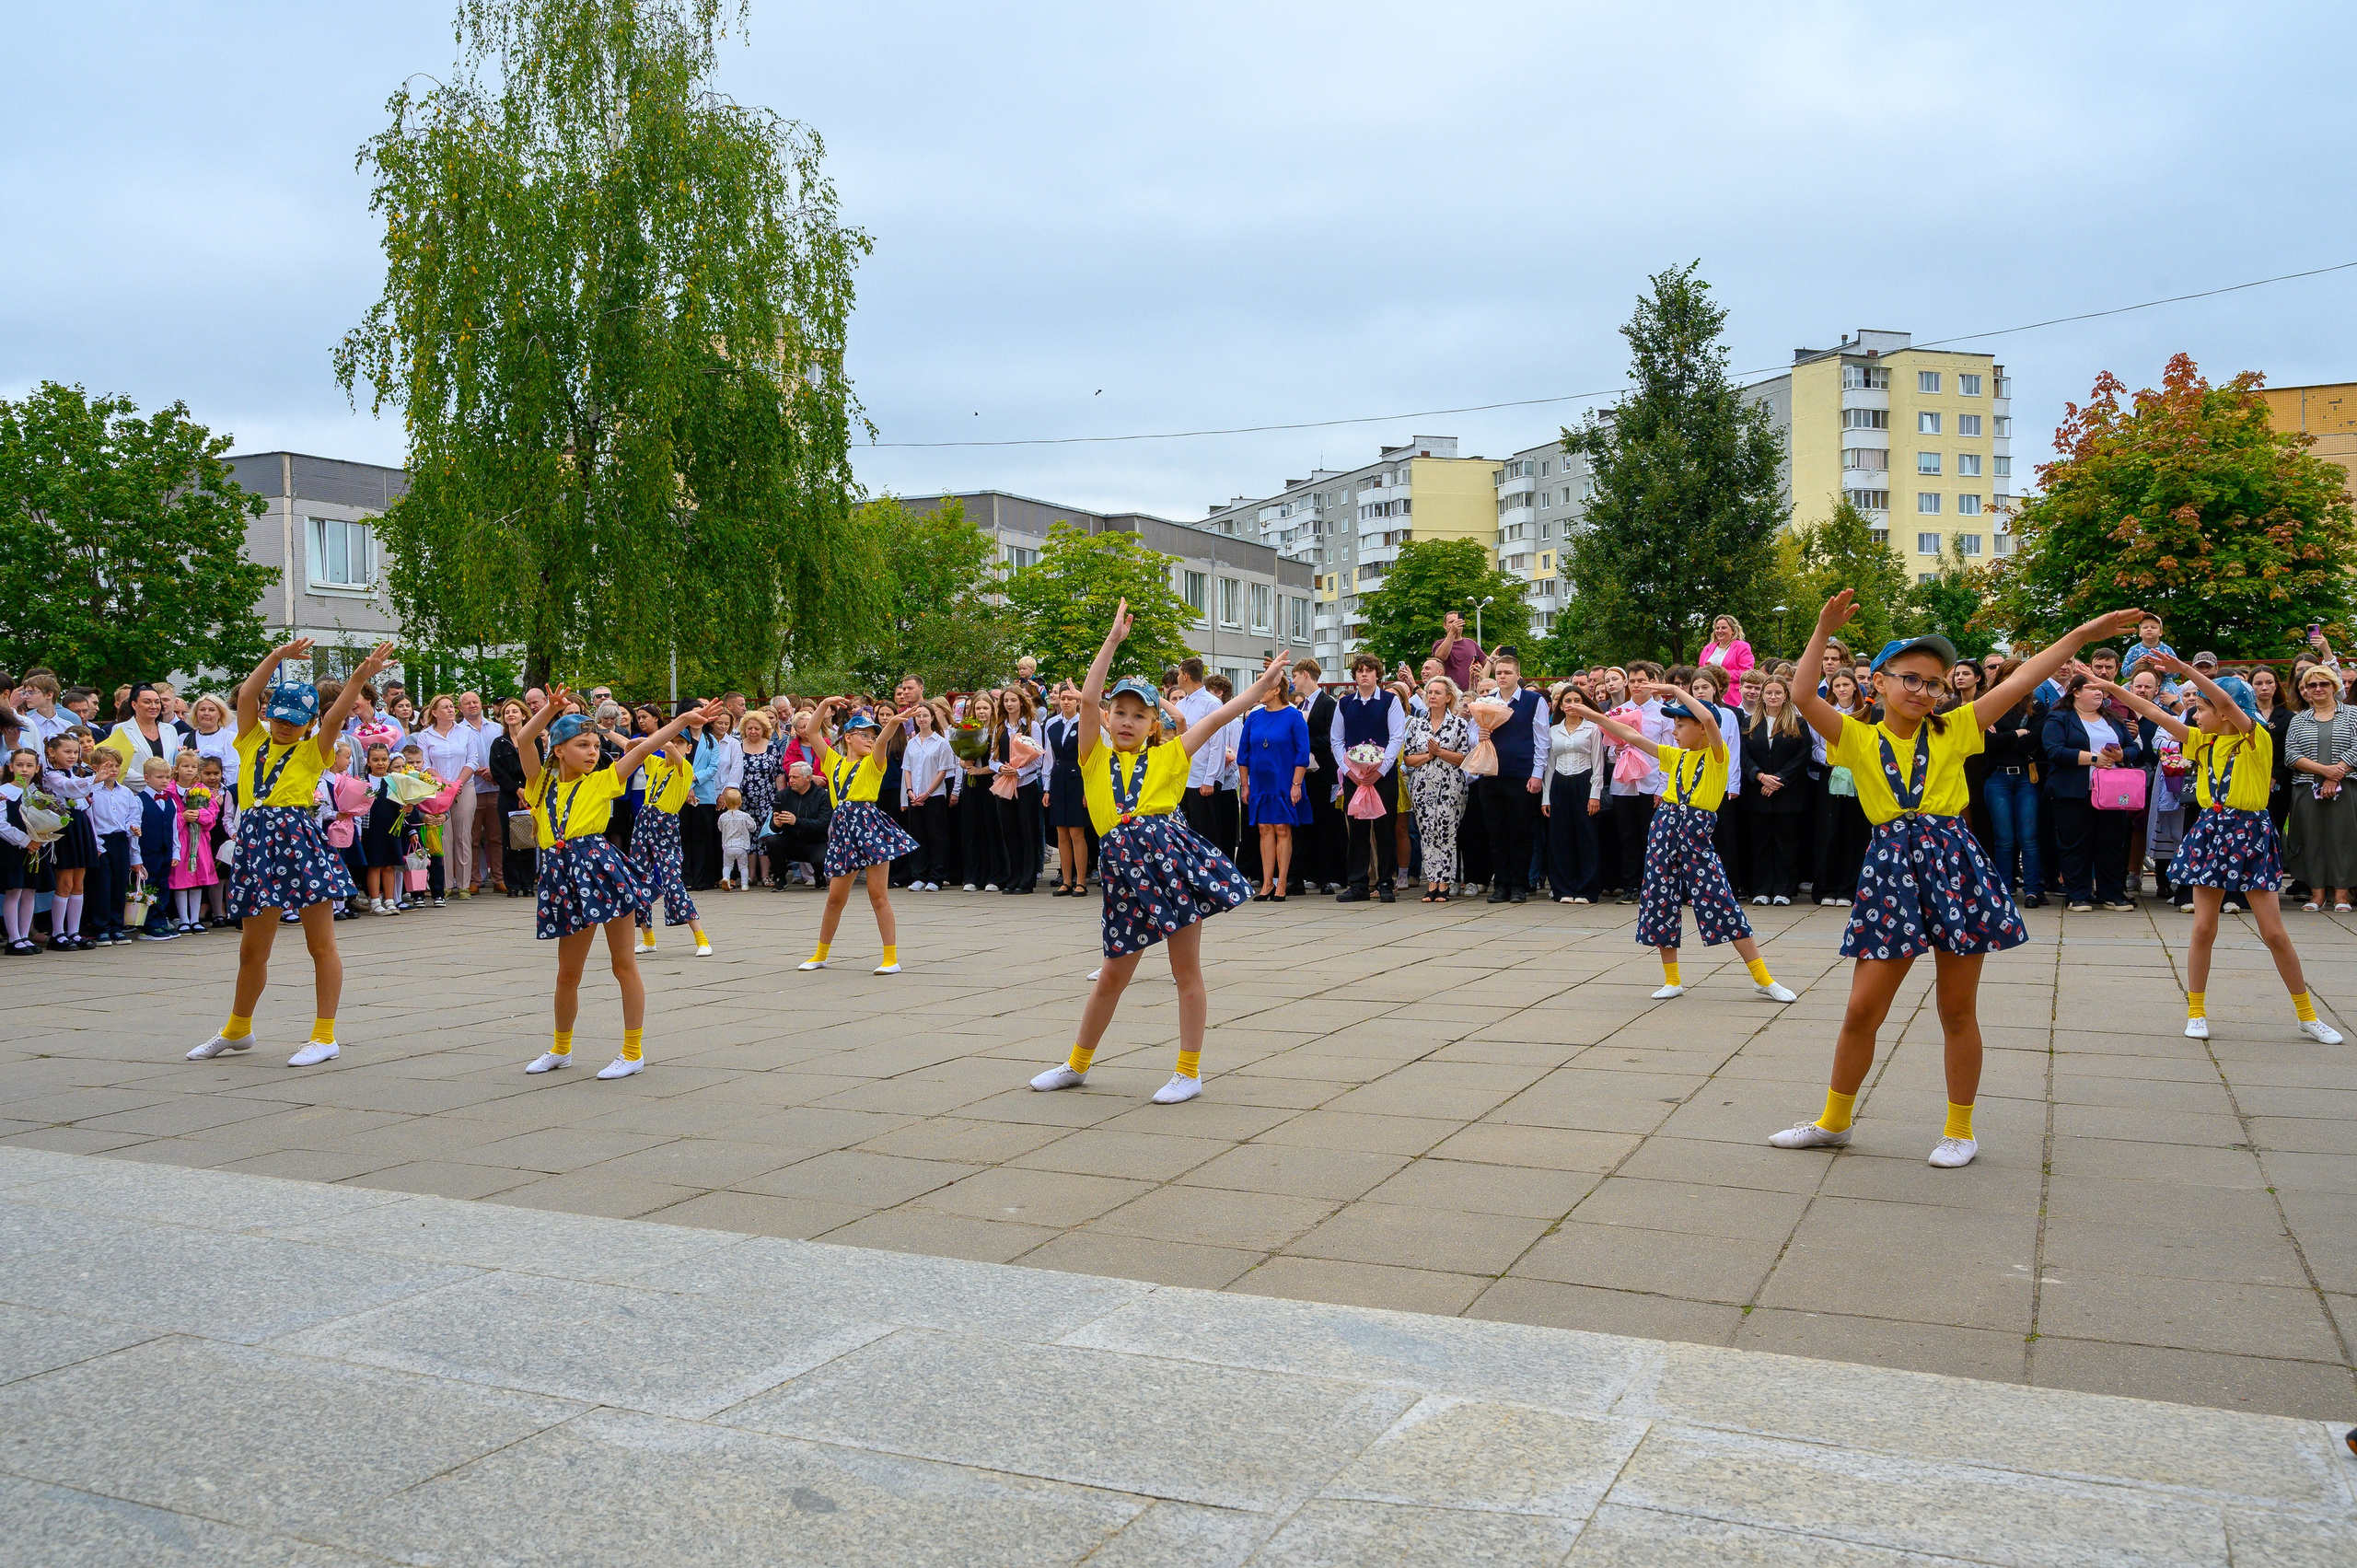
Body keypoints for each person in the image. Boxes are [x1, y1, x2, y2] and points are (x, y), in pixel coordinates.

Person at [1771, 593, 2141, 1167]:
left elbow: (2023, 682)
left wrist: (2083, 634)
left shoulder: (1957, 728)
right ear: (1880, 684)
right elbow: (1800, 694)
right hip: (1892, 868)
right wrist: (1822, 629)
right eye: (1911, 679)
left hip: (1952, 864)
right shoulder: (1857, 738)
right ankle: (1834, 1120)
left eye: (1935, 683)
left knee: (1957, 1009)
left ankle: (1959, 1129)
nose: (1923, 691)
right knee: (1862, 1008)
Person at [1028, 602, 1268, 1105]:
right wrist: (1113, 640)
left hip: (1172, 865)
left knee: (1186, 972)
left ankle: (1189, 1071)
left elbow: (1225, 713)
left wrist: (1262, 685)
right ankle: (1076, 1064)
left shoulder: (1169, 755)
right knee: (1114, 972)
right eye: (1120, 712)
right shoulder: (1093, 757)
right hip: (1121, 871)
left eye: (1139, 715)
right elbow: (1089, 696)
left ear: (1154, 723)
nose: (1127, 721)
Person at [2087, 655, 2341, 1044]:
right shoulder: (2201, 741)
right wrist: (2109, 687)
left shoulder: (2255, 738)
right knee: (2203, 928)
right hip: (2211, 832)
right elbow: (2151, 711)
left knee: (2274, 933)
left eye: (2201, 708)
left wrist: (2185, 670)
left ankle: (2307, 1015)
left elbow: (2224, 703)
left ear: (2224, 712)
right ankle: (2197, 1011)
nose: (2195, 715)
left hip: (2250, 833)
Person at [186, 638, 394, 1065]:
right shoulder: (249, 740)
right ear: (269, 714)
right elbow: (246, 694)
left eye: (295, 720)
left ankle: (324, 1035)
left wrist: (360, 675)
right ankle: (238, 1028)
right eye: (279, 717)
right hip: (256, 842)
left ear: (310, 723)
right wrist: (277, 657)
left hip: (298, 841)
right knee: (252, 948)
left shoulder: (314, 748)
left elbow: (337, 713)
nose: (285, 726)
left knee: (320, 943)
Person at [511, 690, 723, 1078]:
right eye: (582, 745)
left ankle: (632, 1051)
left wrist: (681, 723)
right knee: (566, 973)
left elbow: (643, 750)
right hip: (562, 874)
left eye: (595, 745)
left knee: (623, 964)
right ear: (558, 750)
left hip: (602, 871)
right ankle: (561, 1047)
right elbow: (525, 739)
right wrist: (551, 709)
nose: (593, 752)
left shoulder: (604, 780)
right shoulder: (539, 783)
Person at [1563, 685, 1795, 1005]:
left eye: (1680, 725)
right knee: (1660, 902)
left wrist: (1674, 689)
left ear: (1700, 727)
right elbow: (1632, 737)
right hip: (1664, 831)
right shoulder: (1677, 756)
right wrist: (1591, 714)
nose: (1674, 731)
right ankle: (1672, 979)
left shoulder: (1717, 756)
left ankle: (1763, 978)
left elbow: (1710, 721)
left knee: (1722, 902)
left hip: (1696, 838)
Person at [795, 697, 923, 974]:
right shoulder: (833, 762)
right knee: (834, 898)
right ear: (849, 737)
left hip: (868, 826)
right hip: (842, 829)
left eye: (872, 734)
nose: (870, 739)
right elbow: (813, 731)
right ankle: (820, 954)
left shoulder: (873, 763)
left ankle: (891, 958)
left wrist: (891, 725)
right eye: (864, 734)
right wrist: (826, 703)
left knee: (878, 895)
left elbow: (881, 743)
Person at [2044, 671, 2147, 912]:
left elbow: (2134, 749)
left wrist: (2122, 755)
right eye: (2092, 688)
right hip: (2074, 792)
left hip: (2112, 794)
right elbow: (2054, 750)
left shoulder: (2113, 718)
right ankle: (2077, 894)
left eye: (2101, 689)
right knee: (2075, 844)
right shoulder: (2059, 718)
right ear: (2076, 692)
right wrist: (2093, 759)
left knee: (2111, 844)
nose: (2099, 692)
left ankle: (2111, 893)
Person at [1473, 649, 1550, 903]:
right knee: (1496, 831)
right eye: (1499, 673)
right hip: (1491, 774)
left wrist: (1537, 774)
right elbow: (1474, 735)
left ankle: (1520, 883)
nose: (1503, 677)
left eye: (1507, 673)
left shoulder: (1532, 701)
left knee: (1520, 831)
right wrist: (1480, 736)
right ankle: (1501, 884)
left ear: (1518, 675)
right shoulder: (1487, 700)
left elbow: (1542, 740)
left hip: (1521, 775)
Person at [1331, 654, 1407, 902]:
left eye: (1369, 670)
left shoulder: (1389, 701)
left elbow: (1396, 737)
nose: (1364, 674)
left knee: (1385, 829)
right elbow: (1337, 740)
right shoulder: (1344, 704)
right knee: (1358, 830)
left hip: (1382, 776)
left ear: (1378, 674)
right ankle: (1358, 884)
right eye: (1360, 670)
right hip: (1355, 776)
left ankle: (1386, 882)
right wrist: (1350, 770)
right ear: (1354, 675)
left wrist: (1380, 770)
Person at [629, 726, 711, 955]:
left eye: (680, 742)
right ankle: (648, 938)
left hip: (665, 824)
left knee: (671, 879)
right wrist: (606, 732)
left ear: (688, 747)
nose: (674, 745)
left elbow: (669, 751)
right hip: (644, 820)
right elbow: (633, 744)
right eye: (672, 741)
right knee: (638, 878)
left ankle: (701, 938)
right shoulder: (655, 765)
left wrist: (660, 741)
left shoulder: (684, 768)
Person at [2285, 661, 2357, 911]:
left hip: (2346, 788)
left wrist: (2335, 775)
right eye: (2311, 685)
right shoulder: (2298, 720)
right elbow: (2291, 755)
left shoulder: (2353, 714)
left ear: (2334, 686)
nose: (2318, 689)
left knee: (2344, 839)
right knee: (2311, 839)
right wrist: (2324, 771)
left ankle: (2341, 895)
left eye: (2323, 683)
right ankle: (2317, 894)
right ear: (2304, 689)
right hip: (2307, 788)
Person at [1241, 667, 1312, 900]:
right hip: (1260, 782)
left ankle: (1282, 883)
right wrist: (1245, 784)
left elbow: (1303, 754)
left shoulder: (1294, 716)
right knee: (1264, 829)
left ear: (1276, 690)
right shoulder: (1254, 716)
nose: (1259, 691)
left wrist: (1296, 784)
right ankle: (1267, 883)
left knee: (1282, 828)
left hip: (1285, 781)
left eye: (1264, 686)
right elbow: (1243, 754)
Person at [1980, 658, 2046, 908]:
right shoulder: (1990, 703)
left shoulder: (2036, 705)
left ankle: (2031, 889)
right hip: (1997, 776)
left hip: (2025, 776)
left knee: (2029, 837)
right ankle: (2004, 888)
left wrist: (2005, 738)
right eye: (2010, 675)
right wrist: (2018, 734)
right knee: (2004, 838)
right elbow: (1986, 743)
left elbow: (2037, 738)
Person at [1742, 676, 1811, 903]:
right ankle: (1761, 890)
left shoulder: (1798, 723)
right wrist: (1760, 776)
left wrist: (1779, 779)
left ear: (1785, 696)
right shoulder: (1749, 722)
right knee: (1760, 843)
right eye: (1769, 692)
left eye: (1778, 693)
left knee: (1786, 844)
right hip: (1757, 792)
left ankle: (1784, 890)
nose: (1773, 697)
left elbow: (1802, 756)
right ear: (1762, 695)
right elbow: (1743, 755)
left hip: (1787, 794)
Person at [1542, 680, 1606, 904]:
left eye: (1577, 701)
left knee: (1586, 836)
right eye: (1567, 701)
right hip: (1560, 782)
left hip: (1584, 782)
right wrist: (1546, 797)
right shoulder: (1553, 731)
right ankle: (1562, 889)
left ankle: (1587, 889)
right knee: (1560, 838)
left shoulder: (1592, 728)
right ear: (1560, 705)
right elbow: (1549, 765)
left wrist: (1595, 794)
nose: (1572, 704)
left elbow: (1598, 762)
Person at [1294, 661, 1342, 892]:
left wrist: (1303, 744)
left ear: (1305, 675)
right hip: (1306, 773)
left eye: (1294, 676)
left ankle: (1326, 874)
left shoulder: (1327, 703)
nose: (1293, 681)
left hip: (1322, 771)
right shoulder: (1302, 704)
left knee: (1324, 823)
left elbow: (1331, 737)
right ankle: (1310, 871)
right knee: (1308, 823)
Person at [900, 700, 957, 892]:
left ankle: (937, 876)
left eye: (925, 715)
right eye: (918, 716)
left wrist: (927, 793)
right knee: (917, 835)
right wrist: (910, 792)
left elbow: (942, 771)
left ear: (932, 717)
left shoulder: (941, 743)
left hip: (933, 795)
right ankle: (918, 875)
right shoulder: (912, 743)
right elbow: (907, 769)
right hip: (914, 795)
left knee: (937, 836)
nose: (922, 719)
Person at [489, 699, 540, 899]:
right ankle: (512, 884)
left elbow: (537, 765)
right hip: (508, 795)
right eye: (507, 712)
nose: (511, 715)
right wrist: (517, 790)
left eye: (514, 711)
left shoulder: (533, 740)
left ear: (523, 715)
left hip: (530, 794)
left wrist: (527, 791)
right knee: (509, 840)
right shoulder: (498, 743)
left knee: (529, 838)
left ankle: (528, 883)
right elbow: (497, 771)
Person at [1044, 684, 1090, 896]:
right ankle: (1066, 880)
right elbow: (1048, 759)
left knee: (1076, 832)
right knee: (1061, 832)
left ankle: (1081, 880)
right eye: (1063, 698)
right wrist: (1046, 789)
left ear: (1078, 701)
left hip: (1078, 779)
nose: (1065, 702)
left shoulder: (1086, 723)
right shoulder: (1052, 724)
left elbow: (1092, 758)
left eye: (1070, 698)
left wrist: (1089, 789)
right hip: (1058, 778)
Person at [764, 760, 833, 884]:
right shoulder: (783, 795)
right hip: (791, 841)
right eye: (790, 776)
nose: (791, 780)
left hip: (815, 842)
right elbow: (774, 828)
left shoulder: (822, 796)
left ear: (808, 778)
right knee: (772, 841)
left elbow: (822, 825)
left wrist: (796, 821)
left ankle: (819, 877)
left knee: (820, 859)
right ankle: (780, 878)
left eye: (795, 777)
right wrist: (776, 824)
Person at [1433, 610, 1482, 691]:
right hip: (1449, 693)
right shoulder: (1439, 643)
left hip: (1471, 692)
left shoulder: (1471, 643)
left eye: (1457, 621)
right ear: (1444, 626)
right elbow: (1440, 657)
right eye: (1451, 622)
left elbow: (1486, 662)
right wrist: (1452, 632)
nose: (1455, 624)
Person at [716, 787, 756, 889]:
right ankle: (744, 884)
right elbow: (753, 827)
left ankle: (725, 878)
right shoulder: (745, 816)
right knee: (743, 867)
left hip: (728, 846)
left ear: (725, 802)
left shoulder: (723, 817)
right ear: (740, 802)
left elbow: (720, 828)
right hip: (741, 846)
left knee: (727, 866)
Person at [1699, 615, 1754, 682]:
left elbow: (1747, 673)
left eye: (1723, 628)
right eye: (1717, 628)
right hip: (1709, 690)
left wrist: (1719, 674)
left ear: (1733, 630)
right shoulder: (1708, 648)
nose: (1719, 631)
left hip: (1731, 691)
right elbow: (1700, 671)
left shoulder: (1741, 646)